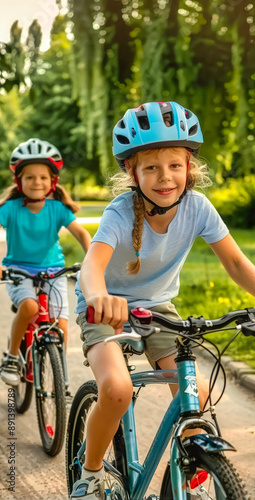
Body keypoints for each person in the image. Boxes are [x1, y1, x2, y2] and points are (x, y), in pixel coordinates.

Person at [73, 101, 255, 499]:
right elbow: (92, 265)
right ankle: (89, 472)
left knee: (198, 394)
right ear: (131, 172)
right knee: (118, 390)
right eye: (151, 167)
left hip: (156, 309)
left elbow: (238, 263)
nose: (165, 177)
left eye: (174, 164)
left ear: (189, 165)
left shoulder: (198, 208)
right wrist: (99, 296)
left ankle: (188, 467)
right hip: (105, 306)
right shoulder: (120, 212)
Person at [0, 138, 91, 386]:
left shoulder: (58, 209)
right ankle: (10, 357)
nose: (36, 182)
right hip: (19, 270)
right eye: (29, 177)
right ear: (19, 181)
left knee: (60, 325)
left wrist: (92, 259)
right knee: (29, 308)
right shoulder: (9, 208)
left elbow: (82, 234)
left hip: (54, 270)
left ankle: (60, 379)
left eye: (42, 177)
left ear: (53, 181)